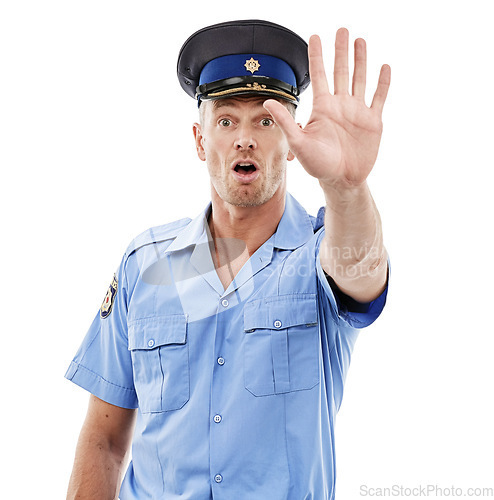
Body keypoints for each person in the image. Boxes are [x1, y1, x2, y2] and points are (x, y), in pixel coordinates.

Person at [65, 19, 391, 500]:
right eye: (225, 120)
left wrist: (346, 186)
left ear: (291, 142)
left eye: (266, 120)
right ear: (200, 141)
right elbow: (104, 442)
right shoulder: (151, 265)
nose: (245, 138)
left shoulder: (320, 256)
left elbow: (361, 270)